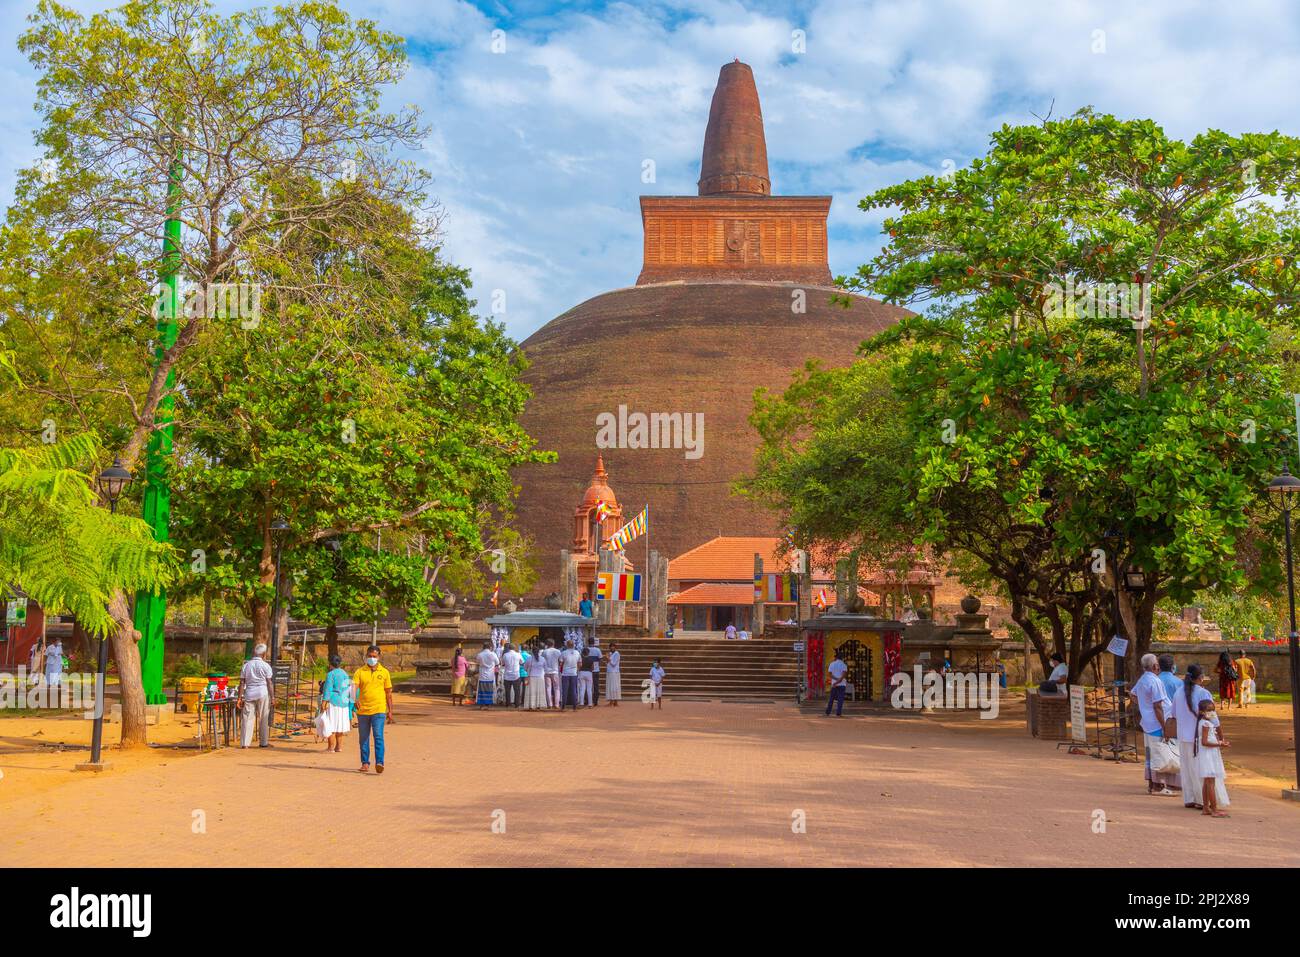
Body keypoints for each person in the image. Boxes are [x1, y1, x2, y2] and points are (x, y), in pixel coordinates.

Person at [1173, 664, 1220, 809]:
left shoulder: (1178, 693)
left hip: (1183, 736)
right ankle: (1201, 800)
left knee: (1187, 769)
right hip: (1199, 737)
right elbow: (1212, 717)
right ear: (1200, 678)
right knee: (1201, 770)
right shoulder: (1203, 693)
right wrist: (1219, 735)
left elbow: (1173, 714)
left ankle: (1189, 798)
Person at [1130, 653, 1176, 797]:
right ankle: (1158, 786)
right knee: (1158, 754)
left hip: (1148, 721)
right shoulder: (1155, 681)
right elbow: (1158, 706)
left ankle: (1152, 784)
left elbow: (1133, 694)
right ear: (1155, 666)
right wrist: (1164, 726)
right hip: (1156, 723)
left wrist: (1144, 706)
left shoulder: (1143, 679)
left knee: (1151, 754)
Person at [353, 645, 393, 774]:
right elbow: (354, 687)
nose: (372, 658)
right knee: (363, 738)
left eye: (374, 656)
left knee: (378, 736)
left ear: (379, 657)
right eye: (369, 656)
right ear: (366, 656)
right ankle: (365, 763)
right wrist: (355, 699)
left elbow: (388, 693)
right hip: (363, 710)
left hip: (379, 709)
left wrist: (390, 710)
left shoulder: (384, 672)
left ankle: (380, 762)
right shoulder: (360, 672)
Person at [1195, 698, 1230, 817]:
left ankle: (1206, 807)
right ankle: (1214, 809)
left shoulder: (1206, 723)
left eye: (1213, 710)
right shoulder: (1205, 724)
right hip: (1208, 754)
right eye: (1209, 710)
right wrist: (1219, 743)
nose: (1212, 713)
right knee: (1210, 782)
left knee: (1207, 781)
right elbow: (1205, 742)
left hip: (1208, 754)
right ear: (1201, 712)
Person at [238, 643, 275, 749]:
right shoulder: (266, 666)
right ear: (263, 654)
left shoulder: (246, 665)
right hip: (262, 693)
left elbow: (242, 683)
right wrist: (272, 697)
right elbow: (269, 683)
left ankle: (245, 743)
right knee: (263, 718)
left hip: (249, 693)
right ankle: (263, 742)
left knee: (247, 718)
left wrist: (239, 698)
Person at [319, 654, 352, 753]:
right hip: (344, 703)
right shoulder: (345, 674)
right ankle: (339, 747)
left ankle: (330, 747)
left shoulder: (331, 674)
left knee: (330, 725)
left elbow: (327, 689)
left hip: (333, 702)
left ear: (330, 664)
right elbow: (349, 688)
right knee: (340, 725)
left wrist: (324, 702)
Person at [475, 641, 499, 710]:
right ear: (490, 647)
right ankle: (488, 705)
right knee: (489, 690)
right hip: (490, 675)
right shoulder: (493, 654)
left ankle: (482, 705)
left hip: (482, 674)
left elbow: (477, 662)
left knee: (482, 690)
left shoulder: (480, 654)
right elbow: (497, 662)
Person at [560, 639, 582, 710]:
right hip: (574, 673)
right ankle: (574, 705)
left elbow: (561, 663)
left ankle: (563, 705)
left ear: (567, 645)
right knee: (574, 690)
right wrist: (577, 670)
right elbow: (580, 663)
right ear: (573, 645)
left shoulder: (564, 653)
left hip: (565, 673)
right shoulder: (577, 653)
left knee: (565, 690)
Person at [524, 645, 548, 710]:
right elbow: (546, 668)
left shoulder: (529, 658)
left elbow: (525, 668)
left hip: (532, 677)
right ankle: (539, 705)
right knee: (540, 692)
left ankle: (532, 705)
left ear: (532, 651)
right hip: (540, 677)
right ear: (538, 652)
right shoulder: (542, 659)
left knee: (532, 692)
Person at [501, 643, 524, 708]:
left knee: (507, 691)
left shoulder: (505, 655)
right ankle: (517, 704)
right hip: (516, 675)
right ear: (514, 648)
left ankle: (508, 704)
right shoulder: (518, 654)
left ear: (508, 648)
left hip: (507, 675)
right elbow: (522, 662)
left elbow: (502, 663)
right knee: (517, 691)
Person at [825, 652, 848, 717]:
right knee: (840, 699)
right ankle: (838, 712)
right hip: (842, 684)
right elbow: (843, 676)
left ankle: (828, 712)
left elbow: (829, 674)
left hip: (834, 684)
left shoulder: (832, 664)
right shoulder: (844, 665)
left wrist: (835, 681)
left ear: (836, 657)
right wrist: (838, 680)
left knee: (831, 699)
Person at [542, 639, 561, 709]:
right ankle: (556, 704)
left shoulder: (544, 652)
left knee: (548, 688)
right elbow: (560, 660)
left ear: (547, 644)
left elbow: (542, 661)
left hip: (546, 671)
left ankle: (549, 704)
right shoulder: (558, 651)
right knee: (557, 688)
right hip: (555, 671)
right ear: (553, 643)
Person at [577, 639, 595, 707]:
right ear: (588, 653)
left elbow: (579, 666)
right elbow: (593, 668)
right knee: (589, 689)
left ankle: (581, 703)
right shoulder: (591, 659)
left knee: (582, 688)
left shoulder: (580, 658)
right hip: (589, 673)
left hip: (581, 672)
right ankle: (590, 703)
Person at [586, 638, 603, 706]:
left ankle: (587, 700)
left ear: (588, 642)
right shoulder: (597, 650)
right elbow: (601, 659)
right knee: (596, 686)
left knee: (588, 686)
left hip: (588, 670)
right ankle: (595, 701)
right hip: (596, 670)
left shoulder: (586, 649)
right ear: (594, 643)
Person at [605, 641, 622, 706]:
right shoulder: (609, 653)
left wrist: (608, 658)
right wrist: (607, 659)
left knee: (614, 686)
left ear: (615, 647)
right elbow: (608, 662)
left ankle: (614, 701)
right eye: (611, 647)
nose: (612, 648)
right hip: (609, 671)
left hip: (614, 672)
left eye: (613, 647)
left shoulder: (617, 654)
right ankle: (612, 701)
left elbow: (614, 664)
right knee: (610, 686)